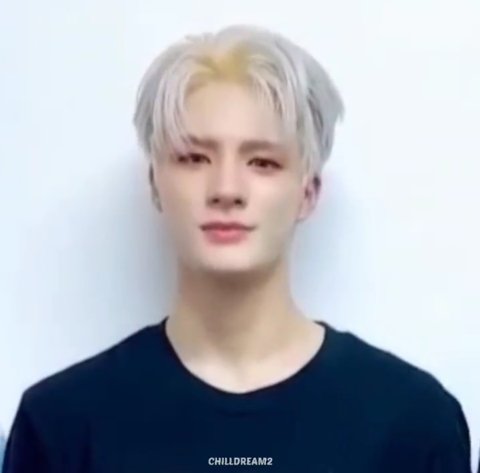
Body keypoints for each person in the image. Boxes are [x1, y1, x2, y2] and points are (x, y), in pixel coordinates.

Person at [3, 24, 472, 473]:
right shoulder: (61, 425)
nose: (226, 189)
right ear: (155, 185)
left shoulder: (412, 423)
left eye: (262, 162)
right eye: (194, 158)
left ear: (308, 192)